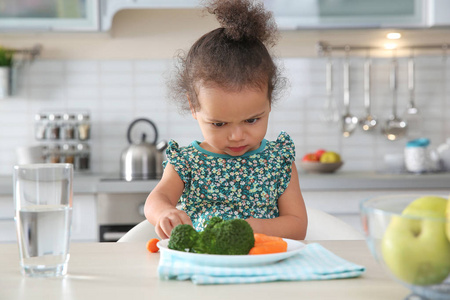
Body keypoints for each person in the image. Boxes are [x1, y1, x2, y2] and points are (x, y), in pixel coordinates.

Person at [144, 0, 307, 240]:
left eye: (252, 120)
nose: (237, 136)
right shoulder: (187, 163)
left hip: (264, 269)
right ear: (193, 106)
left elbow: (297, 226)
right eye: (219, 124)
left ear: (269, 102)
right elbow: (156, 200)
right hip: (203, 265)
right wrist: (165, 212)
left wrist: (249, 228)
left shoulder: (278, 162)